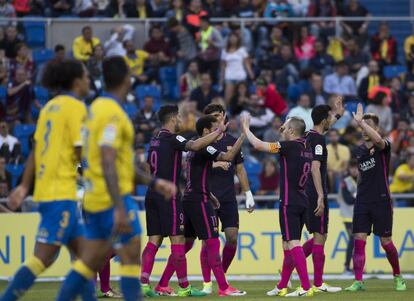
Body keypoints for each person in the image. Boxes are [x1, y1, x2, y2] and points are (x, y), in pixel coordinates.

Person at [54, 56, 176, 301]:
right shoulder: (112, 113)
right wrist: (120, 206)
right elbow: (108, 159)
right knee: (130, 256)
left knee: (90, 261)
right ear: (126, 78)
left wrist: (153, 182)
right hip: (112, 199)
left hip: (94, 197)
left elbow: (116, 163)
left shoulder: (96, 109)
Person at [0, 59, 94, 301]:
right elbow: (80, 152)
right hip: (60, 193)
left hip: (53, 192)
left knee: (86, 258)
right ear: (76, 81)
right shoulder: (76, 108)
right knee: (42, 257)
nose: (88, 80)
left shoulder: (49, 108)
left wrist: (23, 185)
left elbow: (36, 150)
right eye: (85, 75)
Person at [140, 104, 230, 297]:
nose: (181, 121)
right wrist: (219, 131)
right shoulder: (174, 139)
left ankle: (144, 284)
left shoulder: (154, 140)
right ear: (173, 119)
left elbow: (148, 168)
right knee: (178, 241)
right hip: (168, 196)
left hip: (151, 194)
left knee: (153, 241)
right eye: (179, 117)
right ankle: (184, 287)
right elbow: (196, 145)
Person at [241, 114, 313, 297]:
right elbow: (286, 139)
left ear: (290, 130)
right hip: (302, 199)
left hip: (289, 201)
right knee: (287, 244)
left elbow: (258, 145)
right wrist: (286, 129)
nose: (283, 128)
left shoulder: (288, 146)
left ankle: (305, 287)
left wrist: (246, 129)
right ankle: (282, 285)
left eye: (286, 126)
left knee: (293, 243)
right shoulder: (306, 147)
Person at [181, 115, 246, 296]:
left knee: (184, 245)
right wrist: (243, 135)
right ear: (206, 131)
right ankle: (223, 287)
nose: (220, 131)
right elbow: (229, 156)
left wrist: (209, 195)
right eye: (216, 128)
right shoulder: (203, 146)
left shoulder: (195, 147)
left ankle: (162, 283)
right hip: (198, 201)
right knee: (212, 243)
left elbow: (195, 177)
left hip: (193, 198)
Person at [345, 104, 407, 292]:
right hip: (363, 200)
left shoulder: (384, 145)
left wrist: (361, 123)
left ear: (376, 128)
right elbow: (363, 174)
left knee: (386, 242)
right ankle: (358, 281)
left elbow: (378, 140)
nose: (363, 129)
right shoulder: (359, 150)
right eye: (362, 126)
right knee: (359, 240)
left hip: (381, 199)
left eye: (368, 125)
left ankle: (398, 276)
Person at [197, 104, 254, 294]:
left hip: (228, 198)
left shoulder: (231, 141)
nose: (218, 119)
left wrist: (248, 194)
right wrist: (214, 165)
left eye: (220, 116)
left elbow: (239, 169)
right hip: (208, 197)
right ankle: (207, 284)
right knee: (208, 242)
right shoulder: (201, 142)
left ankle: (222, 277)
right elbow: (190, 166)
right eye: (214, 117)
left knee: (232, 239)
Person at [301, 102, 344, 293]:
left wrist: (338, 114)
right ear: (323, 120)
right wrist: (320, 195)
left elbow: (325, 129)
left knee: (321, 235)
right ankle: (318, 283)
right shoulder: (318, 140)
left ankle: (293, 261)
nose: (331, 120)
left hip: (305, 190)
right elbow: (315, 167)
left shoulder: (310, 136)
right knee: (320, 236)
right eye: (329, 117)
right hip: (315, 191)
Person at [220, 32, 254, 104]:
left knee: (241, 98)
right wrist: (221, 79)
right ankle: (227, 114)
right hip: (229, 77)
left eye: (234, 37)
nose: (233, 39)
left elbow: (247, 64)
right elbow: (223, 67)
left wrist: (251, 75)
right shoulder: (224, 51)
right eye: (231, 37)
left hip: (241, 77)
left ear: (238, 39)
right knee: (227, 99)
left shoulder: (242, 50)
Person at [338, 159, 358, 275]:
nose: (354, 170)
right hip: (348, 216)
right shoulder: (346, 181)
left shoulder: (361, 179)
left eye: (356, 167)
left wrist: (355, 195)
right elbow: (348, 200)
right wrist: (359, 196)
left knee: (357, 241)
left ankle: (356, 266)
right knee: (352, 240)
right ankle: (346, 266)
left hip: (358, 215)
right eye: (352, 168)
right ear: (349, 169)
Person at [327, 128, 351, 193]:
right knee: (330, 174)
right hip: (331, 173)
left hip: (342, 171)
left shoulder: (345, 148)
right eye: (331, 136)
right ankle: (332, 193)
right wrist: (334, 172)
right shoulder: (325, 149)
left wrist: (341, 171)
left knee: (347, 172)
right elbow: (327, 166)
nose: (333, 137)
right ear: (329, 137)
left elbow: (346, 164)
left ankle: (353, 195)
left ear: (338, 137)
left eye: (335, 135)